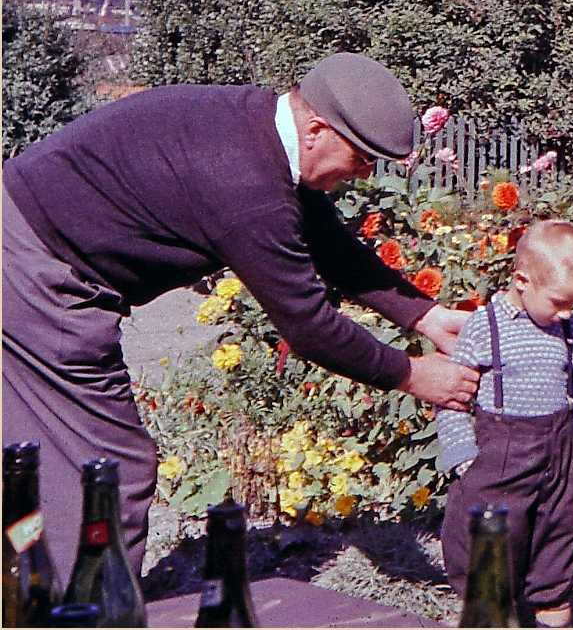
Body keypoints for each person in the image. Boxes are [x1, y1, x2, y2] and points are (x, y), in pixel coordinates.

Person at [2, 52, 481, 577]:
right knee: (108, 464)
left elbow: (323, 238)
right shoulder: (246, 186)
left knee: (31, 450)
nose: (365, 173)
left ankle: (25, 575)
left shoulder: (259, 125)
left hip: (22, 235)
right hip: (38, 275)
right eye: (363, 158)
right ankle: (86, 605)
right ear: (317, 130)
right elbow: (309, 326)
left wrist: (425, 316)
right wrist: (412, 374)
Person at [436, 219, 573, 628]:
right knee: (491, 549)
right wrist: (463, 457)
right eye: (559, 302)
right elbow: (452, 395)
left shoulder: (566, 327)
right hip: (501, 456)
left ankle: (552, 611)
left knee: (557, 540)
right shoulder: (485, 327)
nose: (566, 313)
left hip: (558, 452)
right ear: (522, 281)